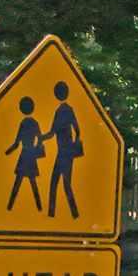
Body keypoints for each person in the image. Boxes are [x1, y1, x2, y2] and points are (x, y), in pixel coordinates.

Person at [46, 81, 84, 221]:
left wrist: (40, 138)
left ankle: (58, 214)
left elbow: (51, 133)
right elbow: (78, 130)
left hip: (63, 153)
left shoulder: (60, 111)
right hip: (66, 152)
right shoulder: (69, 109)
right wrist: (74, 144)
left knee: (58, 183)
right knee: (62, 183)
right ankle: (69, 214)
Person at [2, 96, 46, 213]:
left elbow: (16, 143)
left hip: (24, 155)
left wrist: (6, 152)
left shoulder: (23, 123)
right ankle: (39, 207)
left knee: (19, 183)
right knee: (32, 183)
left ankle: (10, 206)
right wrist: (36, 149)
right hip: (30, 155)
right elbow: (40, 138)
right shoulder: (35, 123)